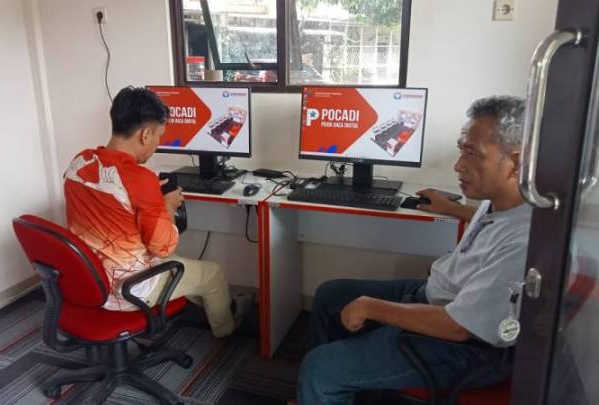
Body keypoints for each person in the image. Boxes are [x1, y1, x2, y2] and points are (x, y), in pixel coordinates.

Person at [294, 96, 532, 405]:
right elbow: (494, 224)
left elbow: (458, 327)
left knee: (319, 369)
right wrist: (452, 208)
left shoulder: (523, 243)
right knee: (330, 295)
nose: (458, 165)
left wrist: (371, 307)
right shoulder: (504, 201)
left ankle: (324, 385)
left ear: (516, 163)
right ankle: (328, 395)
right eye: (461, 149)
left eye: (472, 153)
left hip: (464, 347)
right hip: (436, 297)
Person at [63, 86, 251, 338]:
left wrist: (151, 198)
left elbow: (111, 202)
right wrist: (167, 205)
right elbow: (162, 248)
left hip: (86, 282)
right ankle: (226, 332)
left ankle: (202, 303)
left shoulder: (80, 162)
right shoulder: (140, 179)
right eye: (159, 136)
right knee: (212, 273)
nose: (158, 144)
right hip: (128, 290)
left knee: (182, 264)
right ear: (145, 135)